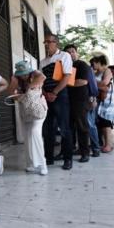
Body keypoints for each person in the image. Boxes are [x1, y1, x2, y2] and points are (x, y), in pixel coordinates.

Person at [7, 62, 48, 175]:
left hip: (38, 111)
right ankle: (31, 164)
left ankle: (42, 164)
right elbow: (10, 94)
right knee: (27, 137)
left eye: (25, 73)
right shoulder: (17, 80)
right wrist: (14, 82)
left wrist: (27, 90)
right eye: (21, 74)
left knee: (35, 133)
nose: (24, 76)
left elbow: (42, 77)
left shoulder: (36, 75)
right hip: (25, 112)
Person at [40, 34, 74, 170]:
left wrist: (54, 92)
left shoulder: (64, 56)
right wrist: (44, 93)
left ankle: (68, 159)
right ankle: (49, 158)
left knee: (64, 128)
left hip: (60, 96)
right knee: (48, 129)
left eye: (50, 42)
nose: (47, 44)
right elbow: (41, 80)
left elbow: (67, 77)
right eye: (45, 42)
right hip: (47, 97)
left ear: (56, 43)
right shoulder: (43, 62)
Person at [64, 45, 91, 163]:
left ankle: (85, 152)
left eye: (73, 52)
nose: (71, 54)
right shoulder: (63, 66)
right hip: (66, 101)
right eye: (68, 52)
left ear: (77, 53)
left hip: (80, 100)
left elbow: (82, 81)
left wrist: (65, 83)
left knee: (82, 126)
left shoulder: (82, 65)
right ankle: (68, 150)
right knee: (68, 127)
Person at [92, 55, 114, 153]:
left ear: (99, 62)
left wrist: (92, 82)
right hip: (99, 99)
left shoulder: (107, 71)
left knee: (106, 121)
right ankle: (106, 143)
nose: (92, 65)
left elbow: (104, 83)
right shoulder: (96, 73)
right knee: (101, 122)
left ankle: (108, 144)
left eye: (94, 62)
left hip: (108, 99)